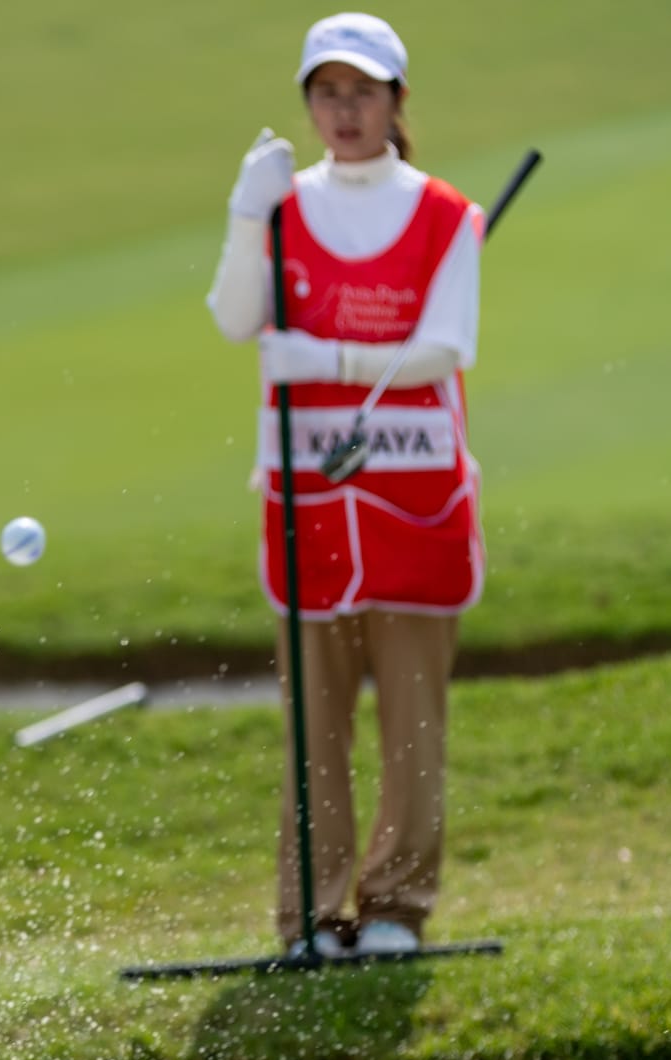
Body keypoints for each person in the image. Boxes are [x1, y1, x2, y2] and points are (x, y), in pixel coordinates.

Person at [205, 13, 484, 957]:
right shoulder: (281, 206)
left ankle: (398, 909)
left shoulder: (446, 212)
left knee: (413, 723)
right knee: (311, 726)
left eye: (363, 91)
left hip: (417, 500)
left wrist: (319, 350)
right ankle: (312, 917)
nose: (345, 109)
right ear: (308, 102)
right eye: (327, 91)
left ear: (397, 100)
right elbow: (237, 318)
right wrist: (249, 217)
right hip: (309, 502)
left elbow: (445, 347)